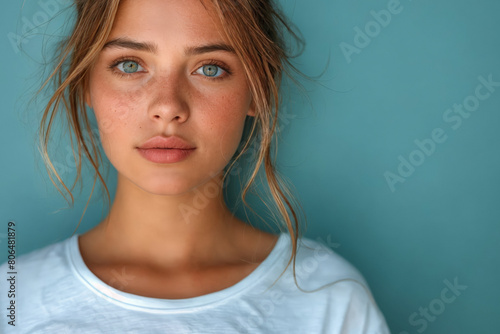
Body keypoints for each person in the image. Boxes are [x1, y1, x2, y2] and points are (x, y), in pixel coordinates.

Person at [1, 0, 391, 333]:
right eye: (130, 64)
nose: (168, 106)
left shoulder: (328, 299)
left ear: (257, 91)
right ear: (86, 82)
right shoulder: (14, 302)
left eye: (210, 68)